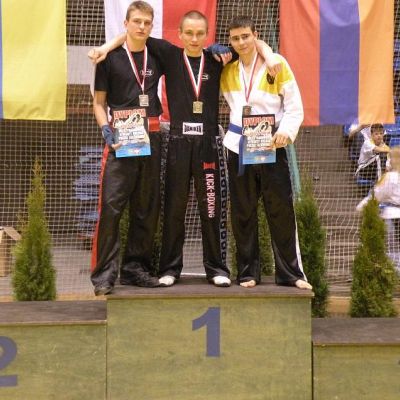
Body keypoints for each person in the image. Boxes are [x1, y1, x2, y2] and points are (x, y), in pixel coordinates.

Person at [89, 10, 280, 288]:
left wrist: (270, 55)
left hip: (208, 143)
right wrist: (106, 47)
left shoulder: (217, 58)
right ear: (179, 34)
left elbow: (251, 43)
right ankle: (170, 268)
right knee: (173, 208)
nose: (194, 38)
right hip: (176, 142)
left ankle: (216, 268)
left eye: (200, 33)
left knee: (211, 207)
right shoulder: (169, 55)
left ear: (207, 35)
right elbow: (134, 35)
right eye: (188, 33)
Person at [220, 16, 312, 289]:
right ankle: (248, 272)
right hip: (238, 147)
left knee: (281, 210)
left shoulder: (277, 65)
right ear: (230, 41)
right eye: (235, 38)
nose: (241, 42)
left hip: (271, 144)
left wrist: (286, 131)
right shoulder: (227, 69)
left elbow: (294, 106)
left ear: (255, 35)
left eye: (246, 36)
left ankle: (291, 274)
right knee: (243, 212)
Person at [91, 1, 162, 295]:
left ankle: (135, 270)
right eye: (137, 22)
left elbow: (189, 50)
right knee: (111, 208)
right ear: (126, 23)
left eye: (147, 22)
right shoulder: (108, 59)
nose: (142, 27)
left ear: (152, 25)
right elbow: (99, 103)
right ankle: (104, 276)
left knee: (146, 209)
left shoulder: (157, 54)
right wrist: (105, 129)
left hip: (152, 140)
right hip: (120, 140)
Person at [357, 147, 400, 273]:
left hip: (393, 216)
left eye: (390, 158)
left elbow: (376, 195)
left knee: (392, 252)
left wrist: (361, 206)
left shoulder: (390, 177)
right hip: (394, 215)